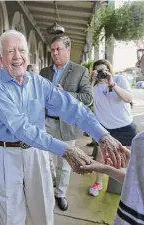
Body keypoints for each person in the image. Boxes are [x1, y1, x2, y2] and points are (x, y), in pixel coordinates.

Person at [0, 29, 128, 225]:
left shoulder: (39, 82)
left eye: (22, 50)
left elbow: (71, 106)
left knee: (43, 206)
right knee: (11, 214)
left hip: (36, 151)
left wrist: (102, 135)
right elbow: (19, 126)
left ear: (27, 55)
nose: (17, 57)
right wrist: (65, 149)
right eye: (10, 51)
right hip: (5, 153)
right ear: (1, 59)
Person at [81, 8, 144, 225]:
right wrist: (108, 169)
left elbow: (127, 99)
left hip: (125, 129)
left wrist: (111, 83)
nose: (139, 63)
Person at [39, 35, 93, 210]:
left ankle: (60, 194)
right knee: (45, 159)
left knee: (65, 162)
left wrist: (66, 95)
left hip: (67, 125)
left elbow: (88, 98)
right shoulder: (44, 72)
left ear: (68, 50)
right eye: (52, 49)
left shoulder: (80, 71)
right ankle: (50, 185)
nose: (54, 53)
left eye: (58, 49)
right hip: (46, 122)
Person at [88, 59, 137, 197]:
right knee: (101, 158)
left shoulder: (119, 79)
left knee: (129, 159)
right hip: (106, 130)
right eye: (98, 71)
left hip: (125, 126)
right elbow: (88, 103)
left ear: (109, 69)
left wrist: (112, 84)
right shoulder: (94, 87)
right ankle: (98, 183)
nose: (102, 74)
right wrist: (91, 82)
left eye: (104, 70)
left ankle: (130, 187)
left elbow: (128, 98)